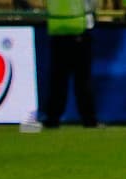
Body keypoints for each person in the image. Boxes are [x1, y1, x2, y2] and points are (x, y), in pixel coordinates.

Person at [42, 0, 99, 128]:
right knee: (82, 79)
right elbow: (92, 4)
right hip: (79, 29)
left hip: (57, 30)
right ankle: (89, 120)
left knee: (58, 80)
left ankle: (52, 119)